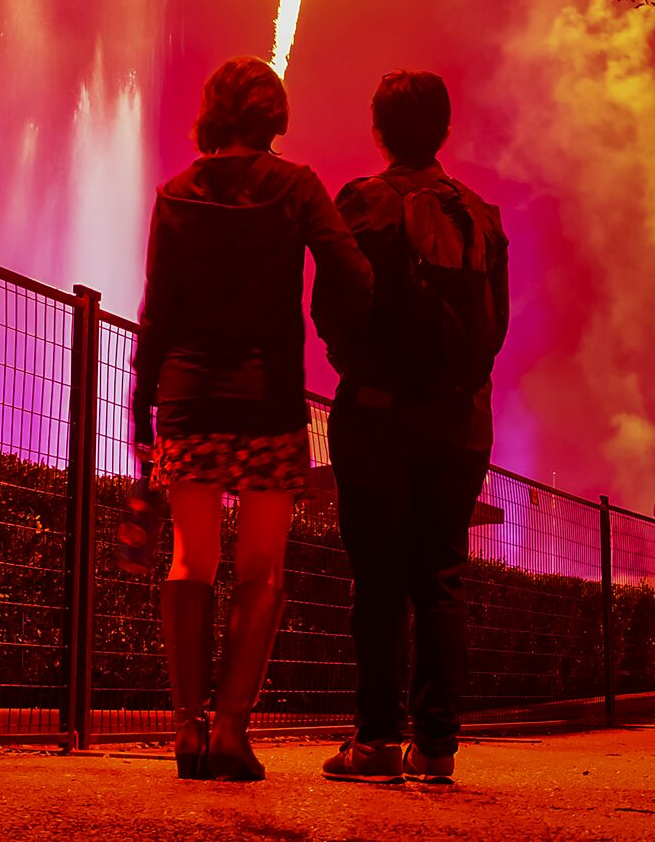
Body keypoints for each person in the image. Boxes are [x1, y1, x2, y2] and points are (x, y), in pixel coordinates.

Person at [136, 58, 370, 780]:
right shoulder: (296, 187)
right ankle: (232, 731)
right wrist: (339, 338)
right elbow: (352, 274)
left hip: (187, 398)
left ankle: (185, 729)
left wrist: (141, 409)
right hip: (268, 400)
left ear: (212, 112)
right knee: (262, 568)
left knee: (188, 559)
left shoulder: (175, 193)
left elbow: (157, 311)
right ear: (272, 114)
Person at [321, 71, 510, 789]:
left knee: (377, 581)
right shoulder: (481, 215)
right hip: (461, 423)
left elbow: (331, 308)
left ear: (379, 130)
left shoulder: (363, 203)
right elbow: (498, 323)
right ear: (443, 130)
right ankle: (435, 747)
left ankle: (372, 742)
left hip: (376, 415)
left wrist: (360, 369)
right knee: (441, 577)